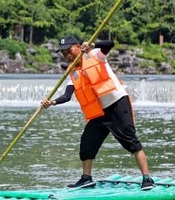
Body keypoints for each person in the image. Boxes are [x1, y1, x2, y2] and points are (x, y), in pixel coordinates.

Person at [40, 36, 154, 190]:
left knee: (131, 141)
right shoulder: (72, 71)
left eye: (69, 50)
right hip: (99, 112)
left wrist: (93, 45)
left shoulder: (94, 54)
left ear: (77, 46)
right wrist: (52, 102)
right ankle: (86, 178)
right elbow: (67, 96)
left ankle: (147, 178)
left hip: (117, 103)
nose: (67, 54)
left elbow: (110, 44)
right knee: (87, 143)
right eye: (63, 53)